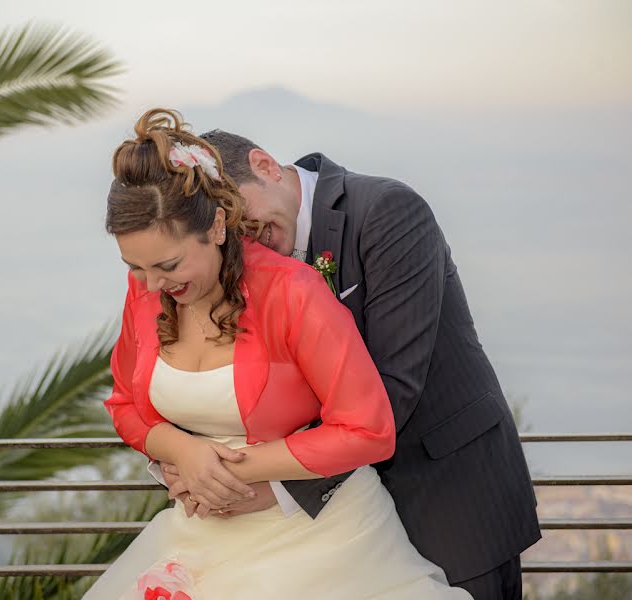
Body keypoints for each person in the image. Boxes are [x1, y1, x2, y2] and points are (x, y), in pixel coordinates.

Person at [82, 108, 471, 599]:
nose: (152, 284)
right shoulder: (145, 290)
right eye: (135, 267)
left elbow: (368, 429)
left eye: (168, 264)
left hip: (322, 541)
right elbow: (124, 406)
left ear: (218, 227)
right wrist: (180, 451)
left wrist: (221, 471)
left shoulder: (294, 290)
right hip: (202, 529)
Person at [154, 127, 542, 598]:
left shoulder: (388, 211)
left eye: (244, 217)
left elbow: (393, 388)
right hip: (333, 532)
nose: (243, 238)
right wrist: (191, 458)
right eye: (228, 229)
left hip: (445, 498)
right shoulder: (242, 260)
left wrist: (260, 481)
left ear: (266, 166)